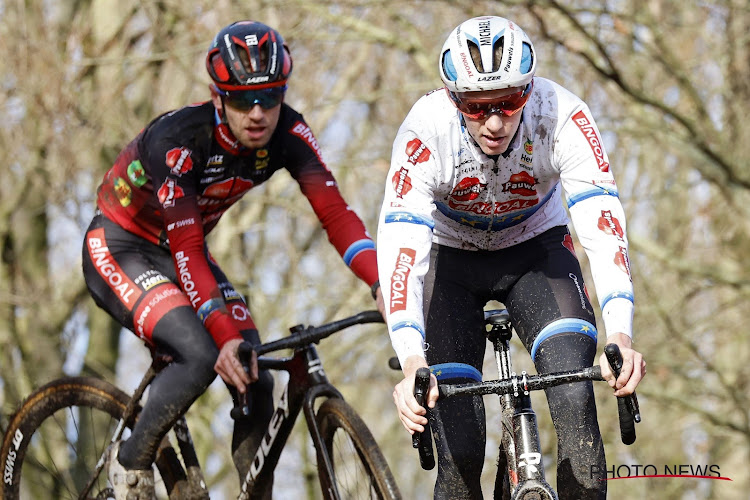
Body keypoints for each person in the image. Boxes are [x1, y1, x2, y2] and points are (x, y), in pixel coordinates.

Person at [82, 20, 385, 499]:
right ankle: (130, 468)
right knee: (205, 356)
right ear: (218, 96)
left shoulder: (288, 130)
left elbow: (336, 214)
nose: (259, 112)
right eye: (243, 99)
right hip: (122, 247)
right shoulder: (179, 142)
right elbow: (187, 249)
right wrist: (222, 335)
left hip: (185, 254)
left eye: (271, 96)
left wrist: (383, 283)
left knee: (256, 377)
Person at [377, 15, 645, 499]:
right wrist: (412, 358)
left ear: (529, 89)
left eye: (508, 102)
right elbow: (401, 248)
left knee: (575, 399)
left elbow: (603, 226)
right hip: (448, 260)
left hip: (535, 254)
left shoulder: (561, 114)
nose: (495, 122)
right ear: (453, 99)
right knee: (460, 450)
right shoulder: (425, 129)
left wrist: (621, 335)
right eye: (478, 108)